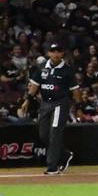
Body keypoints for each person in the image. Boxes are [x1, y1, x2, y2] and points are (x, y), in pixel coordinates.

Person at [30, 42, 76, 175]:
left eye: (58, 51)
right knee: (44, 134)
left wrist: (76, 105)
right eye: (53, 51)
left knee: (55, 133)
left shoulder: (67, 70)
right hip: (45, 104)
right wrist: (26, 100)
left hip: (60, 103)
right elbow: (34, 85)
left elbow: (75, 90)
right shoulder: (42, 67)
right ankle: (65, 154)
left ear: (62, 54)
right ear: (48, 53)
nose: (56, 54)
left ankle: (52, 166)